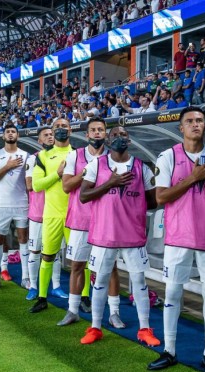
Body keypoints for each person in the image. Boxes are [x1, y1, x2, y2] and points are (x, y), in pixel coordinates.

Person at [148, 106, 205, 372]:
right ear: (181, 128)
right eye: (190, 121)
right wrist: (193, 179)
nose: (196, 124)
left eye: (200, 120)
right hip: (179, 236)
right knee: (173, 291)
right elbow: (160, 197)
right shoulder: (168, 157)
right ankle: (169, 350)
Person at [78, 125, 159, 346]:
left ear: (129, 140)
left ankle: (144, 329)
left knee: (139, 282)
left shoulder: (142, 168)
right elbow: (83, 196)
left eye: (123, 135)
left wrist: (132, 207)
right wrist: (110, 183)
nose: (119, 138)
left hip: (132, 236)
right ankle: (95, 327)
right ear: (108, 139)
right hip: (104, 235)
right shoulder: (96, 164)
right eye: (114, 135)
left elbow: (153, 201)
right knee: (100, 281)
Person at [58, 117, 124, 328]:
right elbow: (67, 186)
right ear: (86, 134)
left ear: (106, 134)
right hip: (79, 219)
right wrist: (88, 173)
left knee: (110, 267)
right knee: (77, 265)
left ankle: (114, 312)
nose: (97, 133)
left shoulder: (114, 157)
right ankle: (73, 310)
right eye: (93, 130)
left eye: (101, 130)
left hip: (106, 221)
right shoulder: (74, 156)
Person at [30, 118, 73, 313]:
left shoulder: (78, 154)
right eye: (57, 127)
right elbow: (36, 185)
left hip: (76, 216)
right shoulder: (42, 156)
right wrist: (57, 174)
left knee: (82, 260)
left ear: (70, 130)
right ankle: (42, 297)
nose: (61, 129)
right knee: (47, 256)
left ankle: (85, 297)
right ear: (53, 131)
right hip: (52, 214)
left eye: (64, 126)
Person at [0, 123, 30, 290]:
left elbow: (29, 181)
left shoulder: (26, 155)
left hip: (21, 203)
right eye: (8, 132)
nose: (11, 134)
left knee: (23, 239)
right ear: (3, 136)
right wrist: (7, 166)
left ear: (17, 136)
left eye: (13, 132)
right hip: (2, 204)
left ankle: (25, 277)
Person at [24, 127, 66, 300]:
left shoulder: (67, 156)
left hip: (58, 211)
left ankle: (56, 286)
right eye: (46, 135)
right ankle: (34, 286)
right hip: (38, 213)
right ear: (39, 141)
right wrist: (56, 175)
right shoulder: (34, 159)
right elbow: (29, 185)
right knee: (35, 251)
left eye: (51, 134)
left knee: (54, 252)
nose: (50, 137)